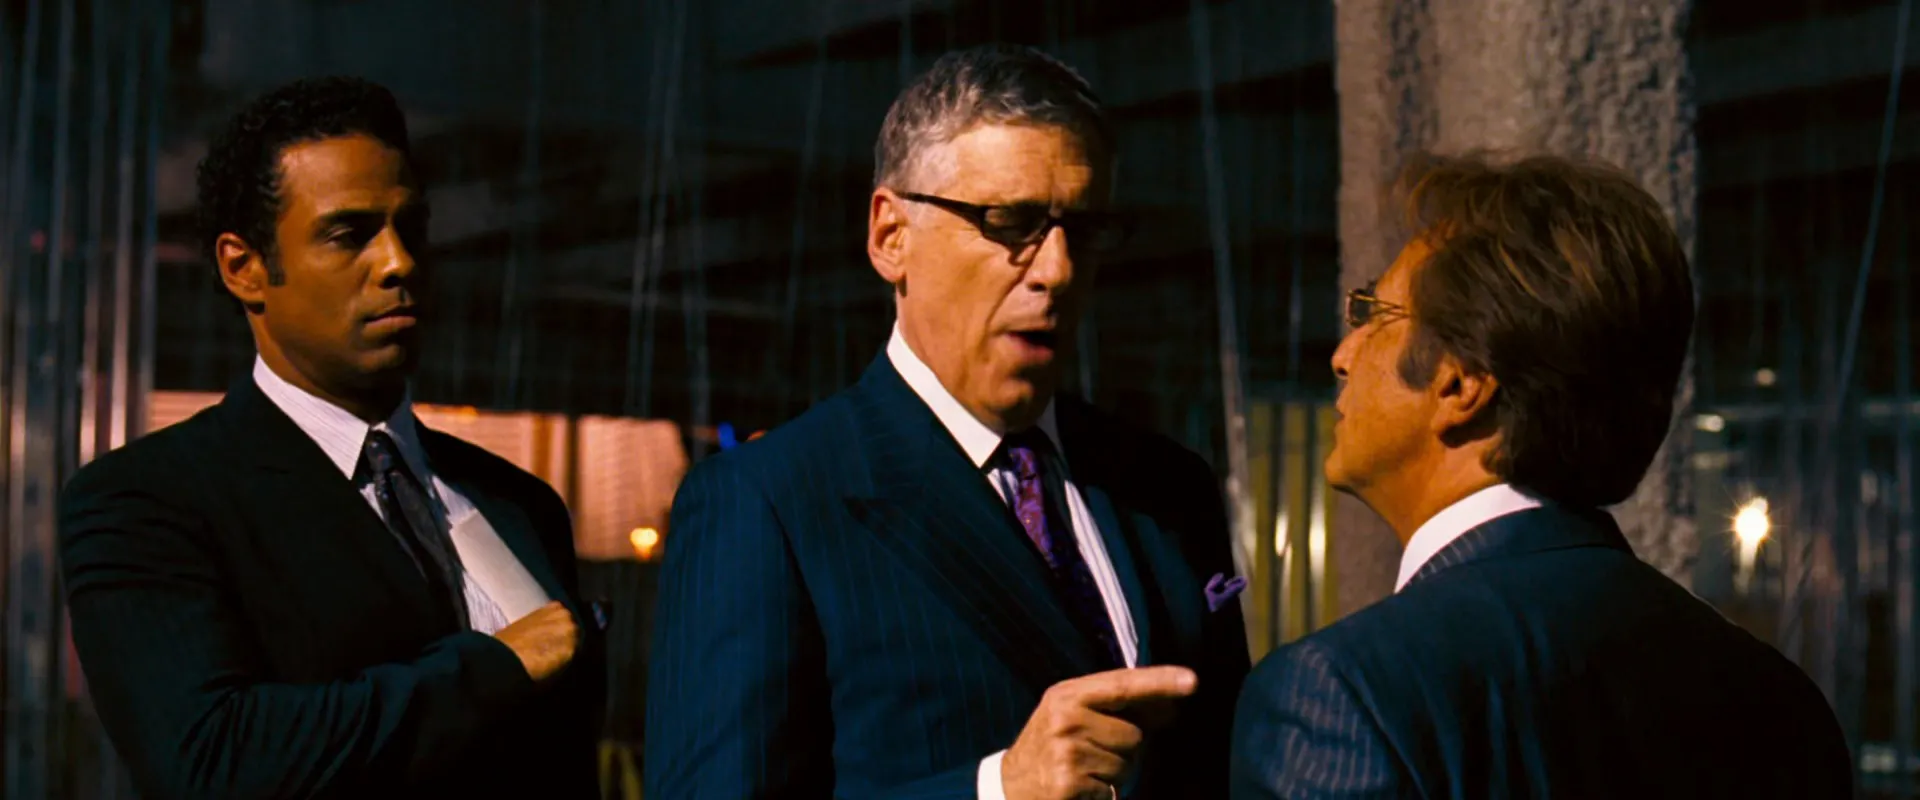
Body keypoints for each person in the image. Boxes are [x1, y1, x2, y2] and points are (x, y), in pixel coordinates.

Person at [645, 45, 1251, 799]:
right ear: (890, 237)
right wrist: (996, 789)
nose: (1057, 269)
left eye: (1083, 229)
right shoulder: (768, 503)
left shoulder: (1170, 488)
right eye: (1011, 223)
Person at [1229, 152, 1853, 798]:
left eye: (1374, 314)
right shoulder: (1782, 701)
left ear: (1461, 384)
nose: (1342, 355)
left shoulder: (1341, 696)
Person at [59, 77, 602, 798]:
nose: (399, 262)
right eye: (350, 234)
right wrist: (495, 666)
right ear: (244, 268)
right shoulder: (147, 500)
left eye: (411, 227)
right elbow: (210, 763)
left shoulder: (519, 502)